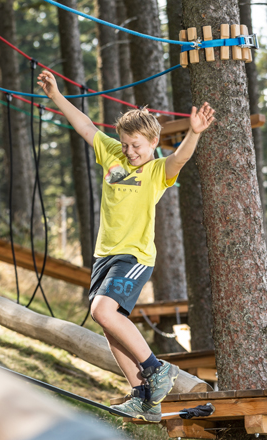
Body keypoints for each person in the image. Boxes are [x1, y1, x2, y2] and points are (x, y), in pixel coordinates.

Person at [37, 70, 215, 422]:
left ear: (152, 143)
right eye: (127, 144)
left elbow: (179, 159)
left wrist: (194, 133)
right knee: (108, 322)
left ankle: (155, 369)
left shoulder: (157, 171)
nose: (131, 151)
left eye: (138, 146)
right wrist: (57, 96)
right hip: (104, 255)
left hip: (133, 255)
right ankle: (145, 399)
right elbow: (86, 126)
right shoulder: (113, 154)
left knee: (102, 311)